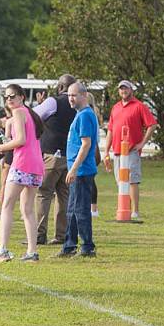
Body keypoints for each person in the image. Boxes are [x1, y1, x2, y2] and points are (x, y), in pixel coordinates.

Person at [0, 83, 44, 263]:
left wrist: (2, 147)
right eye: (7, 97)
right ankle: (32, 252)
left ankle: (3, 250)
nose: (9, 99)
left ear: (22, 97)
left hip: (22, 164)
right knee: (27, 209)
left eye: (13, 96)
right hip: (36, 166)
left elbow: (20, 140)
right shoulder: (28, 114)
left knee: (7, 205)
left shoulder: (19, 112)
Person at [104, 80, 158, 222]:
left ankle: (135, 211)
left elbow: (152, 125)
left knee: (132, 180)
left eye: (126, 89)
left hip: (131, 150)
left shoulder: (139, 106)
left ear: (131, 90)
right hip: (117, 150)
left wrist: (142, 144)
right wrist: (106, 151)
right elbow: (110, 129)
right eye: (121, 89)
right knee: (120, 182)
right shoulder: (115, 107)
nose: (123, 91)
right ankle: (124, 209)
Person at [57, 81, 99, 258]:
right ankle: (69, 246)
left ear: (83, 95)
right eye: (68, 96)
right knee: (72, 209)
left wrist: (73, 169)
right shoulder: (80, 114)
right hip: (77, 170)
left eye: (74, 95)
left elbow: (86, 144)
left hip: (81, 171)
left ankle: (87, 247)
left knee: (80, 210)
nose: (70, 99)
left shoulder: (85, 115)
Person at [34, 74, 76, 245]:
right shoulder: (79, 103)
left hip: (52, 154)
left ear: (60, 87)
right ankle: (61, 235)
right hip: (71, 156)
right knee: (63, 196)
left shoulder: (53, 101)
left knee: (43, 194)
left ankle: (39, 234)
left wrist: (40, 104)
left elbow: (33, 116)